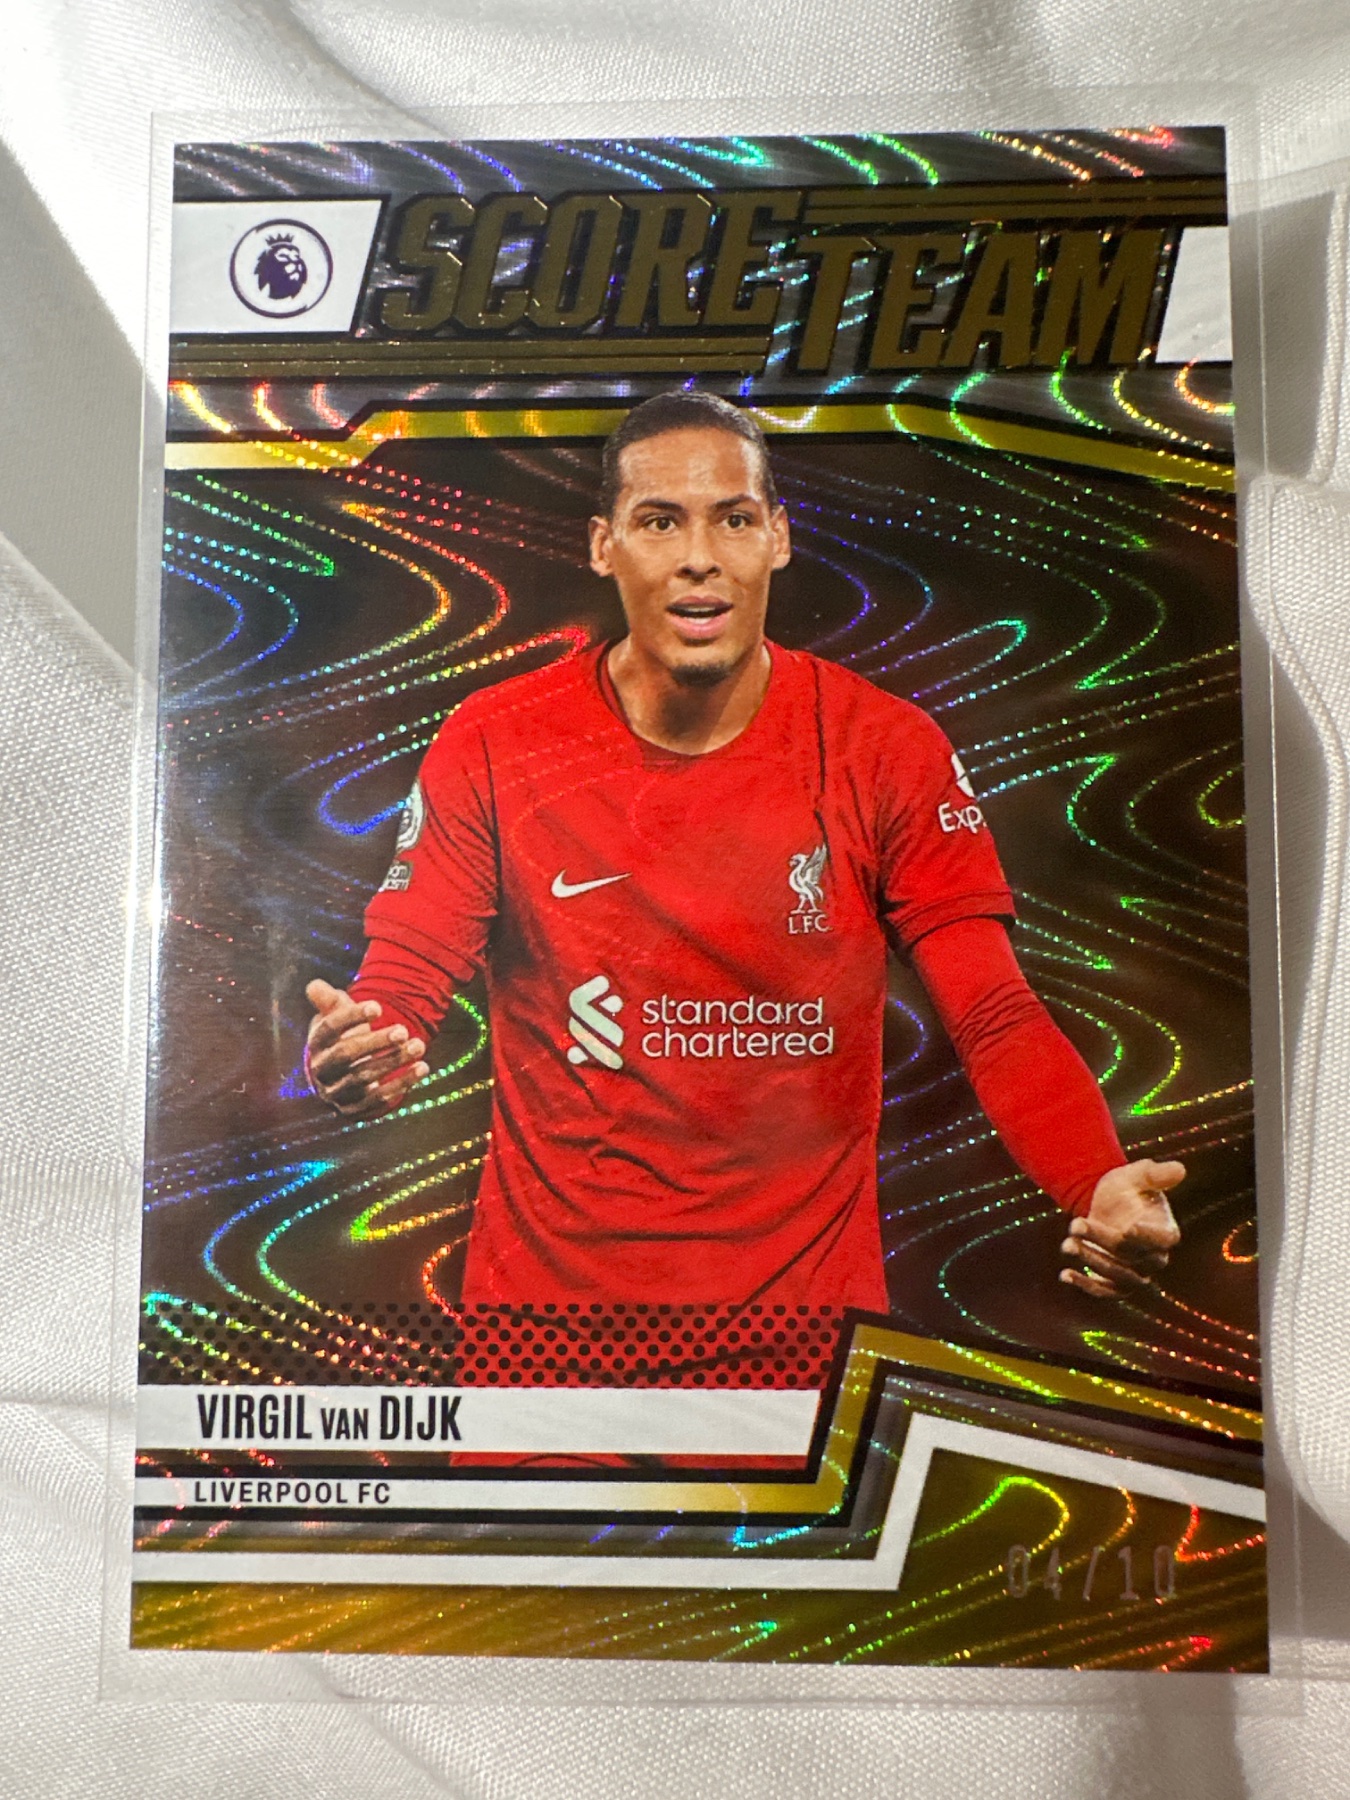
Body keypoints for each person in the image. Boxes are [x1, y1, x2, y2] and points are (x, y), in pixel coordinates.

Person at [305, 391, 1182, 1311]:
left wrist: (1095, 1177)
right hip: (546, 1332)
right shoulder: (496, 740)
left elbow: (991, 1010)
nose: (700, 556)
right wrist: (367, 1044)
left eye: (733, 519)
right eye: (660, 521)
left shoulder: (884, 748)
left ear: (777, 538)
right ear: (604, 546)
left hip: (806, 1334)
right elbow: (409, 971)